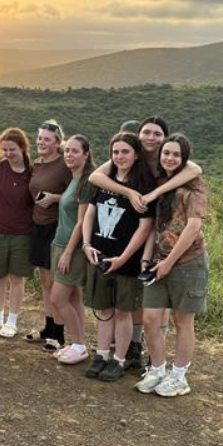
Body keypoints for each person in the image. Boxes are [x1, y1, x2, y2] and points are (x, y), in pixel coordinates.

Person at [88, 116, 203, 372]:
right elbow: (96, 177)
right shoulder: (130, 154)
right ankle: (130, 346)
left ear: (165, 138)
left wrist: (155, 192)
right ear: (138, 136)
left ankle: (149, 353)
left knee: (154, 304)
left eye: (157, 134)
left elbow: (195, 170)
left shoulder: (168, 159)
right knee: (135, 299)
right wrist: (129, 192)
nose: (151, 138)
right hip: (137, 234)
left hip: (158, 236)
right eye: (146, 133)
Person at [135, 134, 209, 397]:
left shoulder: (195, 186)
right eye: (166, 153)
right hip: (158, 261)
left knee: (182, 320)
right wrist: (149, 258)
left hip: (188, 262)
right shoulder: (162, 182)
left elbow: (193, 227)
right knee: (150, 318)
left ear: (184, 158)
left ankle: (179, 376)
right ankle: (157, 369)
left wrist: (168, 261)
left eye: (176, 154)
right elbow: (155, 226)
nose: (170, 158)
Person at [81, 132, 154, 382]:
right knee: (104, 309)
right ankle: (101, 354)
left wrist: (124, 258)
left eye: (125, 152)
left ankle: (120, 359)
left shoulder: (143, 185)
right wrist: (87, 243)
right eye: (115, 152)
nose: (119, 156)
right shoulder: (105, 181)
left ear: (136, 155)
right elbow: (90, 213)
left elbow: (146, 227)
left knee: (123, 311)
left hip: (126, 260)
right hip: (99, 254)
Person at [0, 128, 34, 338]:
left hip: (23, 232)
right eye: (4, 149)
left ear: (22, 147)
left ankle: (12, 321)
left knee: (17, 278)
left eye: (12, 149)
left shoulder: (33, 171)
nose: (8, 153)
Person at [25, 120, 73, 349]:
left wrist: (55, 198)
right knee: (45, 281)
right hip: (38, 226)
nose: (42, 142)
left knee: (56, 283)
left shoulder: (65, 165)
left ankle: (60, 334)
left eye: (47, 139)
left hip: (57, 227)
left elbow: (77, 195)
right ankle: (49, 326)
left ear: (57, 142)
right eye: (40, 138)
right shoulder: (37, 164)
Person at [50, 135, 96, 365]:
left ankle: (78, 345)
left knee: (57, 298)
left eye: (75, 151)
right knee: (74, 297)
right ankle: (78, 342)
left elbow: (81, 221)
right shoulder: (73, 178)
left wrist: (68, 252)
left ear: (86, 154)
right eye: (67, 150)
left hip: (73, 247)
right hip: (61, 243)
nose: (69, 155)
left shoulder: (87, 182)